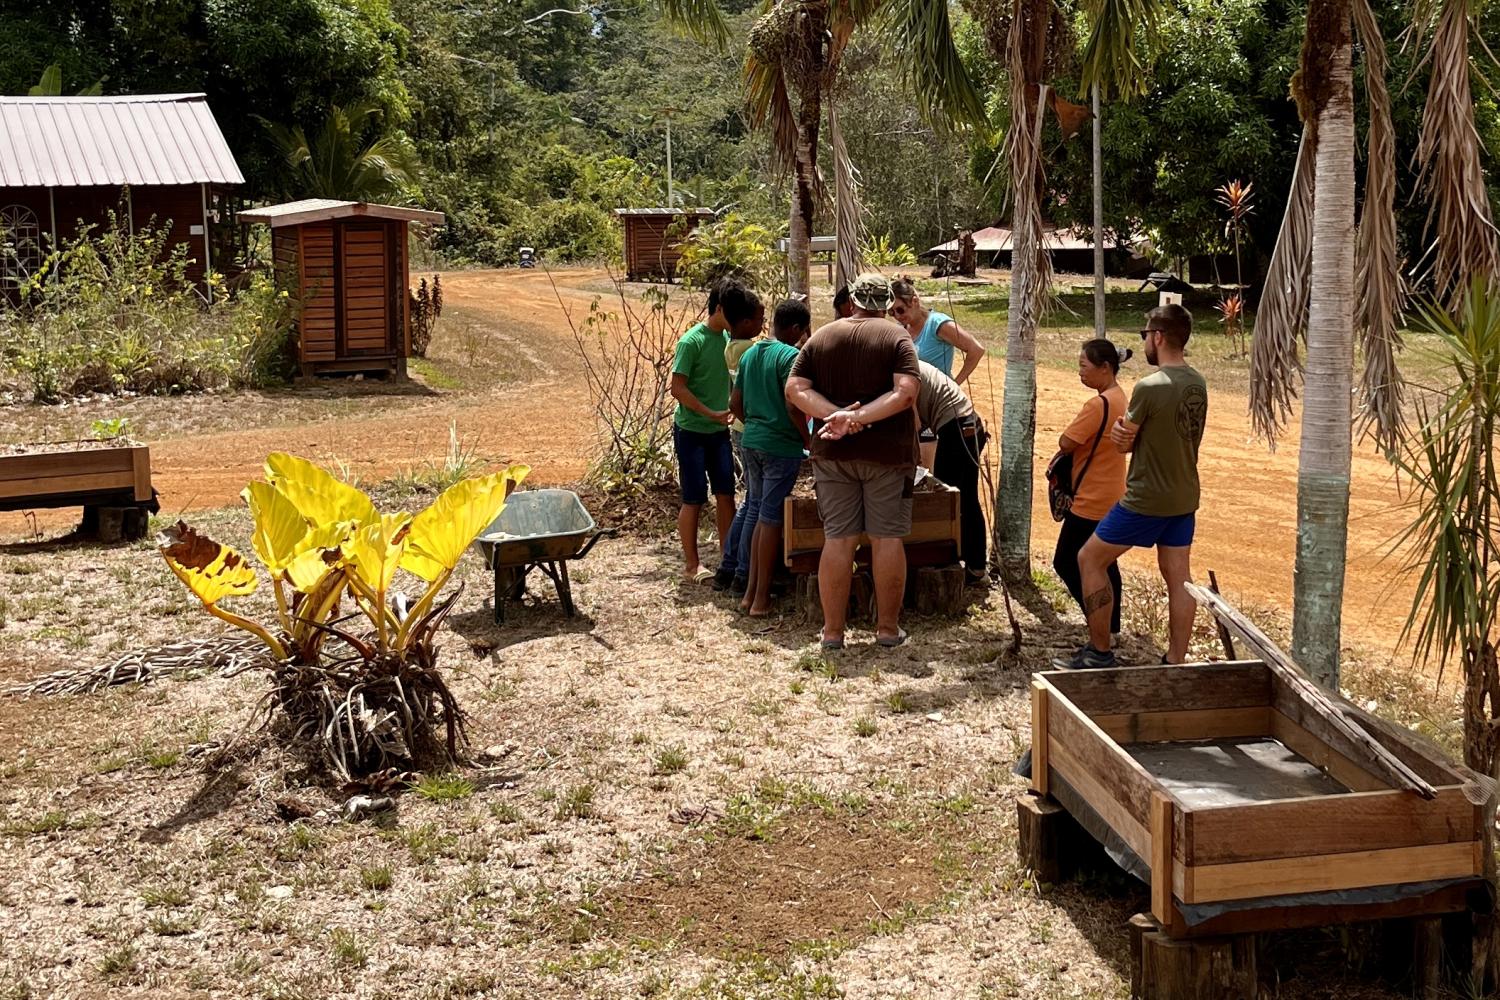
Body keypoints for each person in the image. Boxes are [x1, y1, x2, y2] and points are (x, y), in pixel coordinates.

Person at [1062, 305, 1208, 668]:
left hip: (1145, 498)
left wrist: (1122, 438)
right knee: (1179, 578)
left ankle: (1099, 652)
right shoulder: (1197, 383)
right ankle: (1175, 659)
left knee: (1089, 558)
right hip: (1184, 496)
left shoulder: (1148, 387)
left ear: (1158, 336)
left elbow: (1122, 441)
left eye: (1146, 335)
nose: (1145, 342)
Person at [786, 272, 920, 649]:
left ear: (852, 302)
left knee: (838, 540)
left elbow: (795, 388)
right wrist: (857, 418)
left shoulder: (823, 337)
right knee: (887, 538)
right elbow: (906, 394)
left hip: (833, 454)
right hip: (887, 456)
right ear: (886, 303)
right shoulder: (897, 337)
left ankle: (832, 632)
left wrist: (836, 416)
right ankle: (888, 630)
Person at [670, 280, 762, 582]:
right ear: (719, 308)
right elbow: (678, 388)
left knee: (726, 494)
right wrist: (709, 412)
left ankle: (728, 556)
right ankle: (692, 564)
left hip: (720, 431)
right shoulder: (691, 342)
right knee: (694, 497)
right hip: (692, 430)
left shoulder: (728, 339)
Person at [730, 299, 812, 616]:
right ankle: (760, 597)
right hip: (780, 447)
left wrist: (754, 425)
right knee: (771, 519)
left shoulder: (751, 353)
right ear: (796, 329)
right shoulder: (791, 357)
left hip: (751, 441)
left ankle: (750, 592)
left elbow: (734, 402)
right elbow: (794, 406)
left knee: (757, 509)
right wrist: (808, 441)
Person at [1049, 340, 1132, 635]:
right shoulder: (1120, 397)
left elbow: (1066, 441)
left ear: (1105, 368)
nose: (1080, 372)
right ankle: (1112, 628)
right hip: (1113, 495)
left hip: (1091, 499)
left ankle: (1100, 621)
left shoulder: (1098, 405)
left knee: (1067, 561)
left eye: (1084, 366)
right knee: (1105, 563)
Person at [911, 359, 989, 583]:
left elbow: (913, 424)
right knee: (965, 499)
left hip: (957, 429)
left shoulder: (901, 370)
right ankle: (974, 565)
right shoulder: (908, 363)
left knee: (948, 502)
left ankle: (953, 564)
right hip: (967, 425)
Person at [717, 298, 768, 593]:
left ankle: (728, 565)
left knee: (750, 501)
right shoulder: (749, 350)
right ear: (747, 323)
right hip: (750, 427)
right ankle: (743, 571)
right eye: (760, 320)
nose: (762, 325)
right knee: (756, 505)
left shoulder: (731, 346)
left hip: (738, 428)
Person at [890, 277, 986, 384]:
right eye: (891, 312)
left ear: (915, 301)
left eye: (900, 310)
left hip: (937, 397)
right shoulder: (900, 329)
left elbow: (976, 350)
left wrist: (955, 385)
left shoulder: (936, 324)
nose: (897, 316)